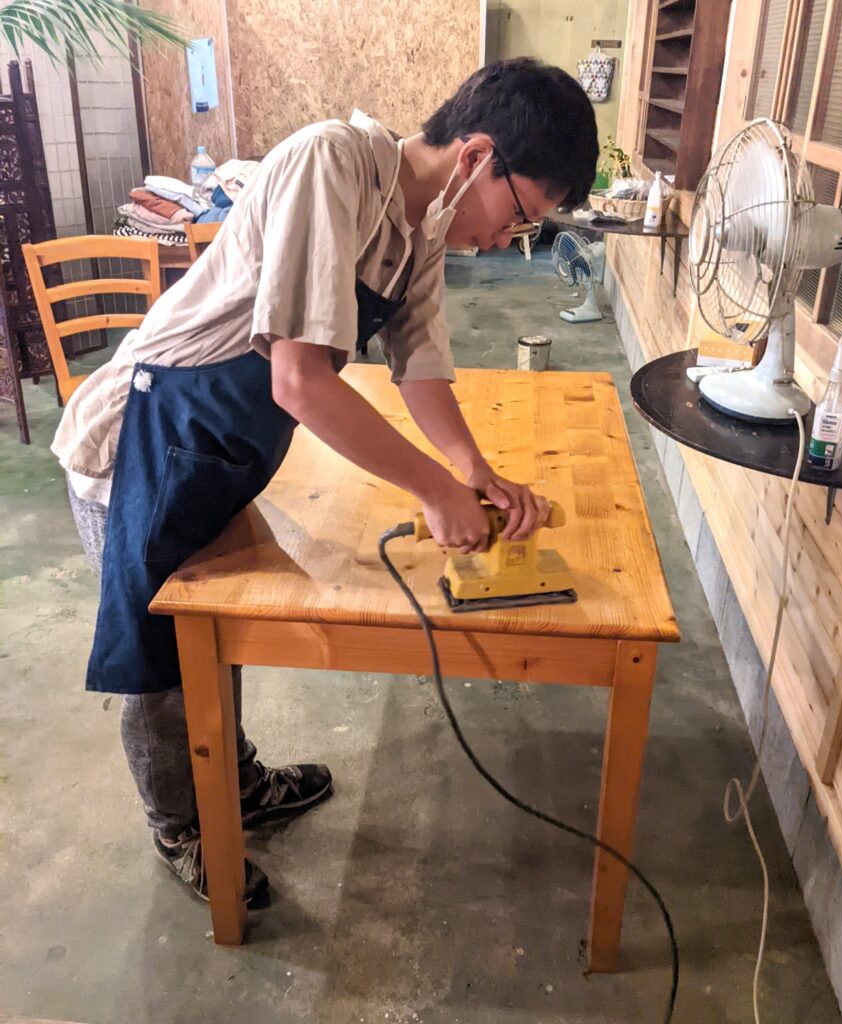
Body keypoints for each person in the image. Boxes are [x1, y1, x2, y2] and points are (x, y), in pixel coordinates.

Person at [50, 57, 599, 902]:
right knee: (165, 664)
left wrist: (473, 472)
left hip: (219, 449)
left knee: (217, 637)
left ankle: (235, 785)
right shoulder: (331, 163)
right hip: (145, 443)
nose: (505, 240)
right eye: (519, 215)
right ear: (476, 158)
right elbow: (299, 381)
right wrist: (433, 492)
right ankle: (182, 827)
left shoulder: (419, 230)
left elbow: (420, 365)